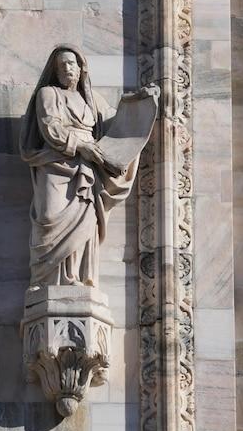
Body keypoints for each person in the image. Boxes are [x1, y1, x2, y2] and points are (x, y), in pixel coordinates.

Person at [18, 44, 147, 290]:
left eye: (71, 63)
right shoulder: (48, 93)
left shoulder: (92, 101)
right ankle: (45, 281)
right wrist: (79, 146)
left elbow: (115, 124)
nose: (67, 68)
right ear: (55, 70)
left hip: (86, 169)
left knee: (85, 222)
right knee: (49, 216)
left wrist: (142, 103)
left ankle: (74, 277)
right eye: (62, 65)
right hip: (55, 163)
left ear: (80, 69)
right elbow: (50, 127)